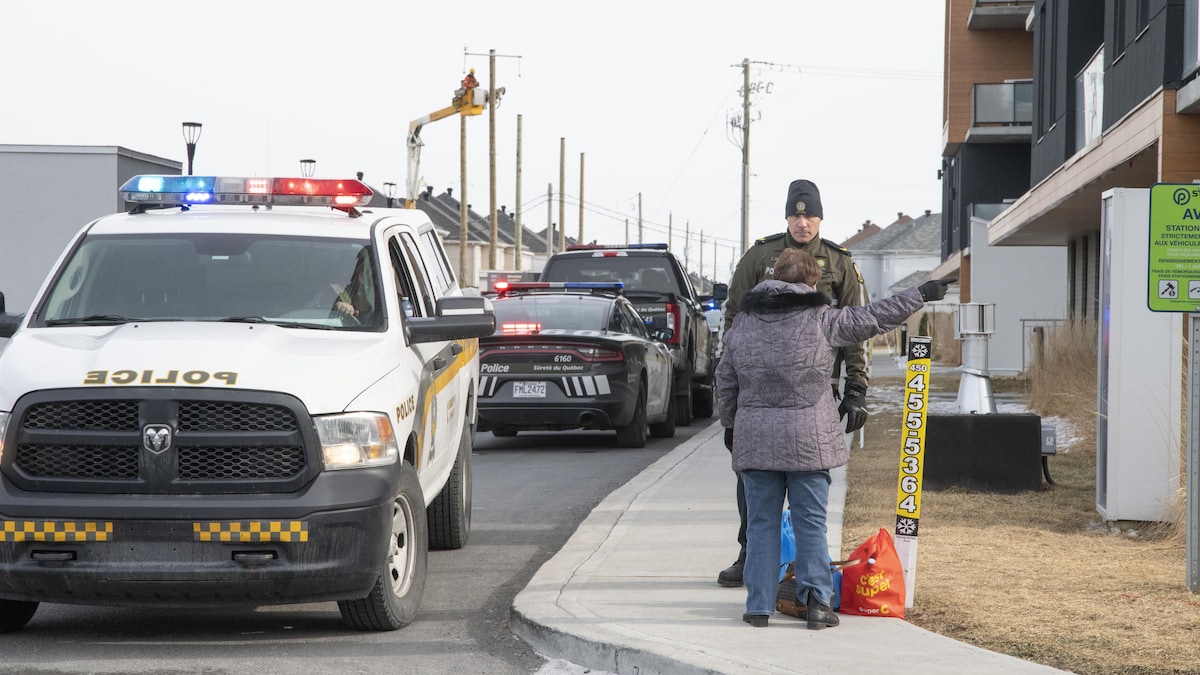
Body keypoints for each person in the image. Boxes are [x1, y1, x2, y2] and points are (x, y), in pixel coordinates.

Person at [716, 248, 953, 629]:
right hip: (809, 440)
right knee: (811, 523)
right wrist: (921, 293)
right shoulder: (824, 320)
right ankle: (816, 604)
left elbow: (725, 381)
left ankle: (758, 606)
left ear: (773, 279)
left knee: (760, 525)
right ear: (813, 283)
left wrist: (732, 424)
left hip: (756, 438)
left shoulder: (743, 324)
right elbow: (876, 316)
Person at [717, 178, 870, 588]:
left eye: (810, 216)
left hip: (812, 390)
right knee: (753, 484)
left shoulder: (839, 263)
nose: (803, 223)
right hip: (758, 390)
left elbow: (855, 328)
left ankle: (807, 575)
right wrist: (729, 388)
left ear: (820, 218)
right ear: (787, 217)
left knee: (808, 492)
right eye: (796, 216)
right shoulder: (760, 256)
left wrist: (856, 386)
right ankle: (749, 555)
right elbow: (733, 316)